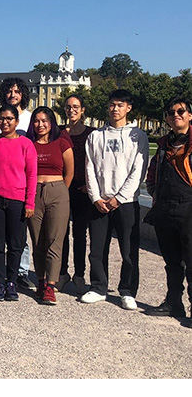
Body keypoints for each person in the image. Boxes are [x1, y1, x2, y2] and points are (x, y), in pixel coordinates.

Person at [82, 89, 148, 310]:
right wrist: (96, 197)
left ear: (128, 108)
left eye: (120, 105)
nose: (115, 108)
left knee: (128, 250)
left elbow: (138, 170)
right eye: (112, 104)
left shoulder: (137, 136)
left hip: (126, 202)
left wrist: (119, 198)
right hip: (100, 201)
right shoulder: (95, 136)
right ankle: (99, 286)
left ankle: (127, 290)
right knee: (98, 248)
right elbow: (90, 168)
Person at [0, 105, 37, 302]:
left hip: (17, 200)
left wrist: (30, 202)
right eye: (2, 118)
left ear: (17, 122)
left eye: (9, 118)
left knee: (15, 243)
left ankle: (12, 281)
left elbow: (31, 175)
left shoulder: (26, 144)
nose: (5, 122)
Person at [144, 96, 192, 324]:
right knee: (172, 262)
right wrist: (154, 192)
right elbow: (152, 172)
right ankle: (174, 303)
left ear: (190, 115)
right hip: (165, 206)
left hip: (189, 206)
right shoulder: (163, 144)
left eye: (181, 111)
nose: (176, 115)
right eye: (171, 112)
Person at [25, 107, 74, 304]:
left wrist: (60, 190)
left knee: (55, 239)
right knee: (38, 240)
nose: (40, 124)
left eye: (44, 120)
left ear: (52, 122)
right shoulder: (28, 144)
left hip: (57, 191)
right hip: (34, 191)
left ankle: (51, 285)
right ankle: (40, 280)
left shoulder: (62, 143)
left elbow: (69, 172)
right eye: (36, 121)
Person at [57, 95, 95, 294]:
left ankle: (79, 274)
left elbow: (97, 162)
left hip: (83, 188)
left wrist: (90, 185)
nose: (71, 110)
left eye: (76, 107)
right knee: (61, 233)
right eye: (68, 107)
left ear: (82, 110)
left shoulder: (92, 134)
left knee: (80, 234)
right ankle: (62, 273)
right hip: (63, 186)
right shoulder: (60, 132)